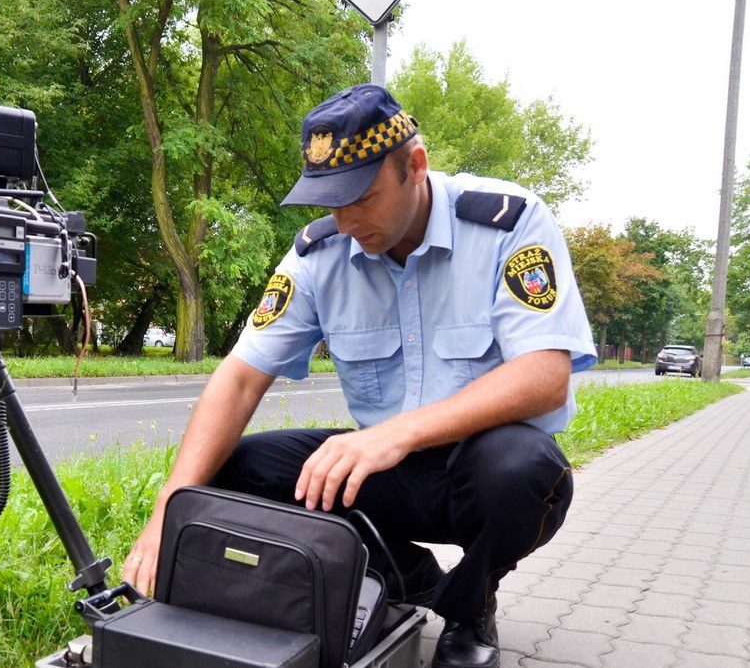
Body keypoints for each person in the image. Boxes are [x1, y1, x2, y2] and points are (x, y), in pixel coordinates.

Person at [121, 84, 596, 668]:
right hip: (385, 474)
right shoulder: (318, 256)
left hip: (476, 464)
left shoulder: (508, 223)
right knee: (238, 469)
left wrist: (396, 434)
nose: (345, 222)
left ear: (414, 166)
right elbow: (240, 378)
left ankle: (469, 609)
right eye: (330, 203)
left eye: (363, 198)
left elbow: (545, 375)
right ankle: (403, 576)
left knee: (525, 472)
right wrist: (172, 507)